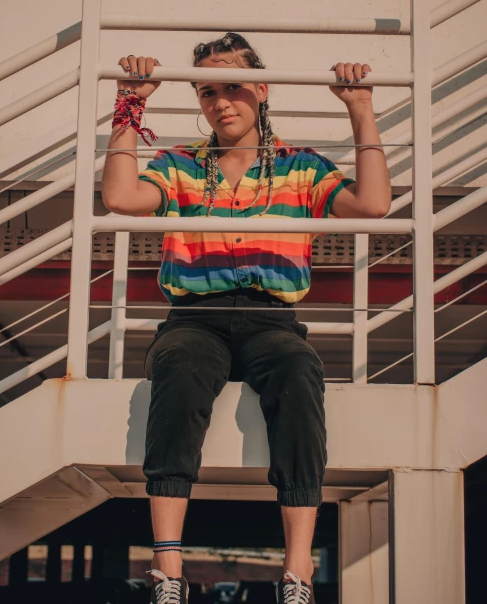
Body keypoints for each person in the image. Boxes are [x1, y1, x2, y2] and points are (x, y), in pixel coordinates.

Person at [102, 33, 391, 604]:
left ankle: (297, 570)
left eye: (233, 87)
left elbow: (373, 205)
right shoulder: (180, 165)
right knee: (180, 372)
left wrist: (360, 107)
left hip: (271, 320)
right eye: (208, 92)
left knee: (300, 375)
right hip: (194, 318)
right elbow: (119, 197)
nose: (221, 101)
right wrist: (129, 106)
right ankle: (168, 569)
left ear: (261, 90)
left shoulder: (301, 168)